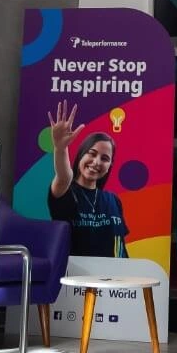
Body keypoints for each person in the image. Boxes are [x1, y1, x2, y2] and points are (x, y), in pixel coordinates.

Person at [47, 100, 129, 259]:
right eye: (92, 154)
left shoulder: (113, 200)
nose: (97, 162)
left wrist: (127, 271)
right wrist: (60, 148)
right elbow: (64, 176)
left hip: (111, 273)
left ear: (109, 165)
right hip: (73, 272)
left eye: (105, 158)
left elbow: (120, 247)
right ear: (81, 155)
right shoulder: (65, 192)